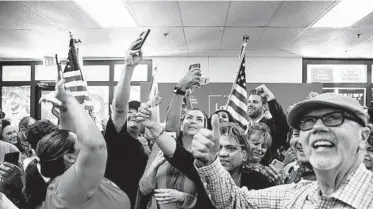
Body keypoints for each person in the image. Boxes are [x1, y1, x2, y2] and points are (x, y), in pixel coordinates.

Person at [192, 93, 373, 209]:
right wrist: (211, 162)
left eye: (334, 118)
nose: (317, 128)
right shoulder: (295, 194)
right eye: (308, 122)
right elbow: (235, 200)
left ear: (363, 137)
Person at [24, 77, 130, 209]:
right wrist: (69, 99)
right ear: (69, 157)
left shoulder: (69, 176)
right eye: (78, 141)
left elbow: (65, 138)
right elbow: (95, 147)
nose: (82, 140)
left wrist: (64, 109)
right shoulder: (68, 189)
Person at [104, 38, 148, 208]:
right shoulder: (114, 137)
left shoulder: (145, 145)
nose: (133, 117)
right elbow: (119, 109)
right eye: (130, 114)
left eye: (138, 115)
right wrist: (128, 67)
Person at [137, 108, 208, 209]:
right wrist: (155, 165)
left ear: (205, 128)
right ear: (181, 125)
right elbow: (144, 189)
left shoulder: (206, 157)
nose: (193, 121)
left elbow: (210, 199)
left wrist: (185, 198)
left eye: (199, 119)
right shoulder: (161, 147)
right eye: (189, 117)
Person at [247, 85, 289, 165]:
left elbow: (282, 122)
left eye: (255, 102)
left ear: (265, 106)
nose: (250, 105)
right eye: (249, 102)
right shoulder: (243, 128)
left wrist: (270, 97)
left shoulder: (271, 126)